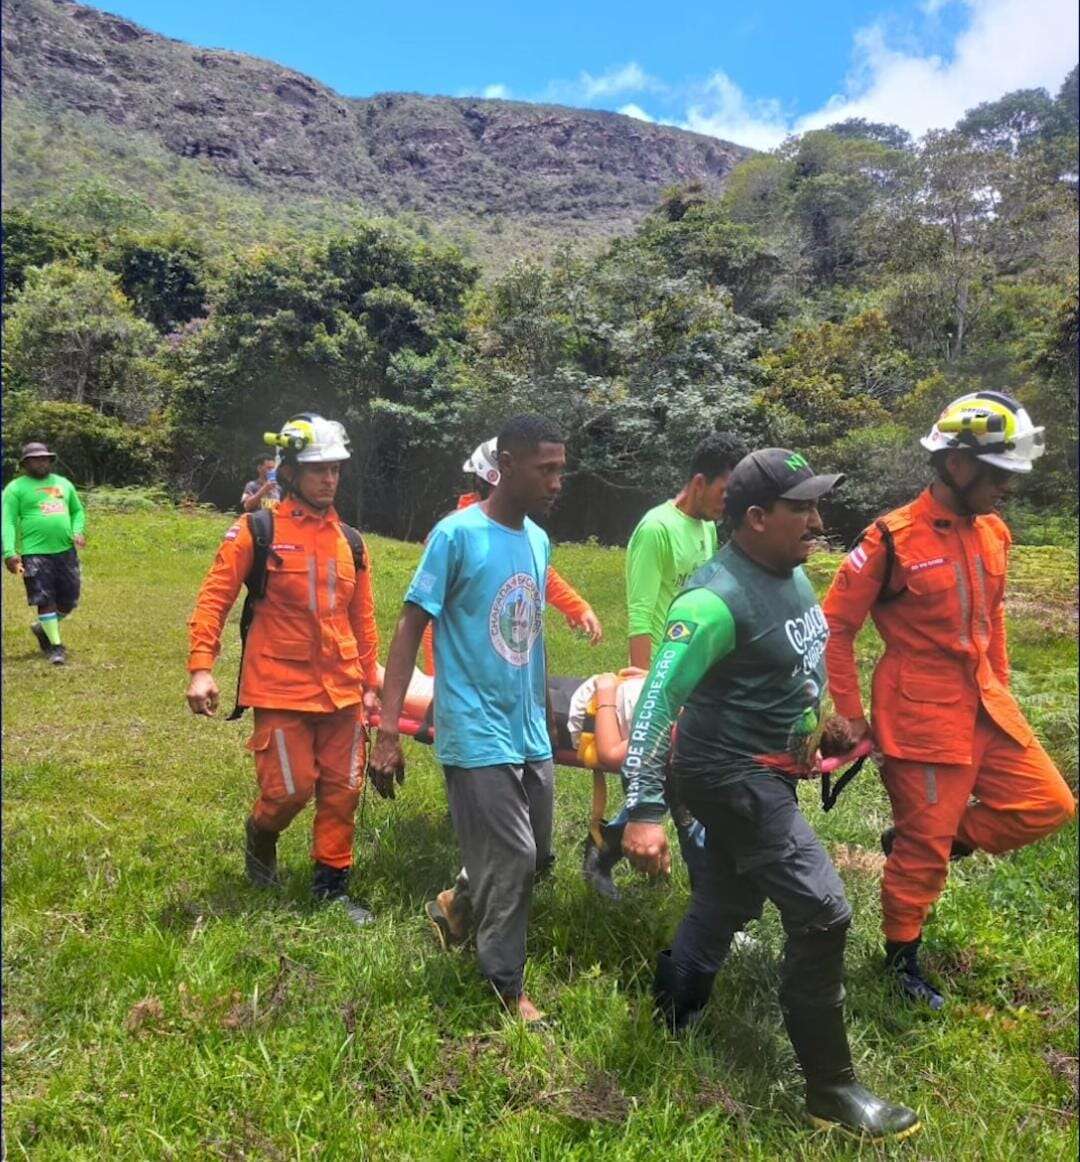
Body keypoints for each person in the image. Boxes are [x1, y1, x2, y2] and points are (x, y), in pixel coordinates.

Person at [620, 448, 920, 1141]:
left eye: (818, 504)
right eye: (802, 508)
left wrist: (820, 726)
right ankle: (832, 1089)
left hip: (769, 766)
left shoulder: (786, 575)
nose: (818, 520)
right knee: (822, 910)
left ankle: (671, 1013)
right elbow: (654, 707)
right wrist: (641, 814)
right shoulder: (711, 600)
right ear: (755, 518)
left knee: (727, 895)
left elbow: (788, 670)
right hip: (728, 777)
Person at [822, 392, 1075, 1009]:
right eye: (999, 474)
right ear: (958, 465)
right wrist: (850, 714)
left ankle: (924, 837)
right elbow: (836, 625)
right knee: (924, 854)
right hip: (921, 717)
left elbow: (992, 619)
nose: (1008, 488)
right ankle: (900, 960)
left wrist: (1004, 686)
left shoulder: (995, 533)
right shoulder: (890, 538)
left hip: (987, 706)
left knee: (1049, 805)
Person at [370, 415, 564, 1024]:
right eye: (546, 469)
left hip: (528, 728)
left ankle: (454, 908)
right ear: (506, 464)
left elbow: (529, 636)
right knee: (511, 860)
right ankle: (505, 989)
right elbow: (409, 627)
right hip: (475, 730)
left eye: (562, 469)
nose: (558, 482)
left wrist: (546, 715)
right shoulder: (455, 535)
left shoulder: (537, 540)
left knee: (537, 855)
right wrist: (386, 729)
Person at [186, 413, 380, 927]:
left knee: (343, 790)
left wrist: (373, 685)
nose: (329, 479)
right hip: (280, 686)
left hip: (342, 689)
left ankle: (331, 888)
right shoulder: (259, 529)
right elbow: (214, 600)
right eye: (318, 469)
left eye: (336, 469)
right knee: (288, 790)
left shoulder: (352, 542)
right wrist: (202, 667)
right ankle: (261, 833)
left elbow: (362, 619)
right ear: (290, 471)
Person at [582, 431, 745, 899]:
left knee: (679, 777)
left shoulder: (708, 529)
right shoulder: (656, 528)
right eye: (722, 492)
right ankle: (707, 892)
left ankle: (607, 846)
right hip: (657, 678)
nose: (726, 504)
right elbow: (640, 611)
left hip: (693, 672)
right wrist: (646, 690)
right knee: (680, 778)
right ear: (698, 482)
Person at [419, 437, 602, 674]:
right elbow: (427, 613)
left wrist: (578, 608)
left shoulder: (528, 534)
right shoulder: (453, 533)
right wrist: (437, 678)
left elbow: (542, 576)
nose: (554, 484)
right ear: (503, 475)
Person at [2, 442, 86, 666]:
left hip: (66, 552)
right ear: (26, 463)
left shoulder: (63, 484)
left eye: (45, 458)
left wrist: (78, 531)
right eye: (36, 459)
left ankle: (43, 628)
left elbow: (77, 511)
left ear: (50, 460)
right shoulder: (15, 489)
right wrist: (9, 553)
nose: (41, 462)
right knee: (44, 598)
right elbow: (7, 522)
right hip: (35, 554)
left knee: (69, 600)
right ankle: (56, 647)